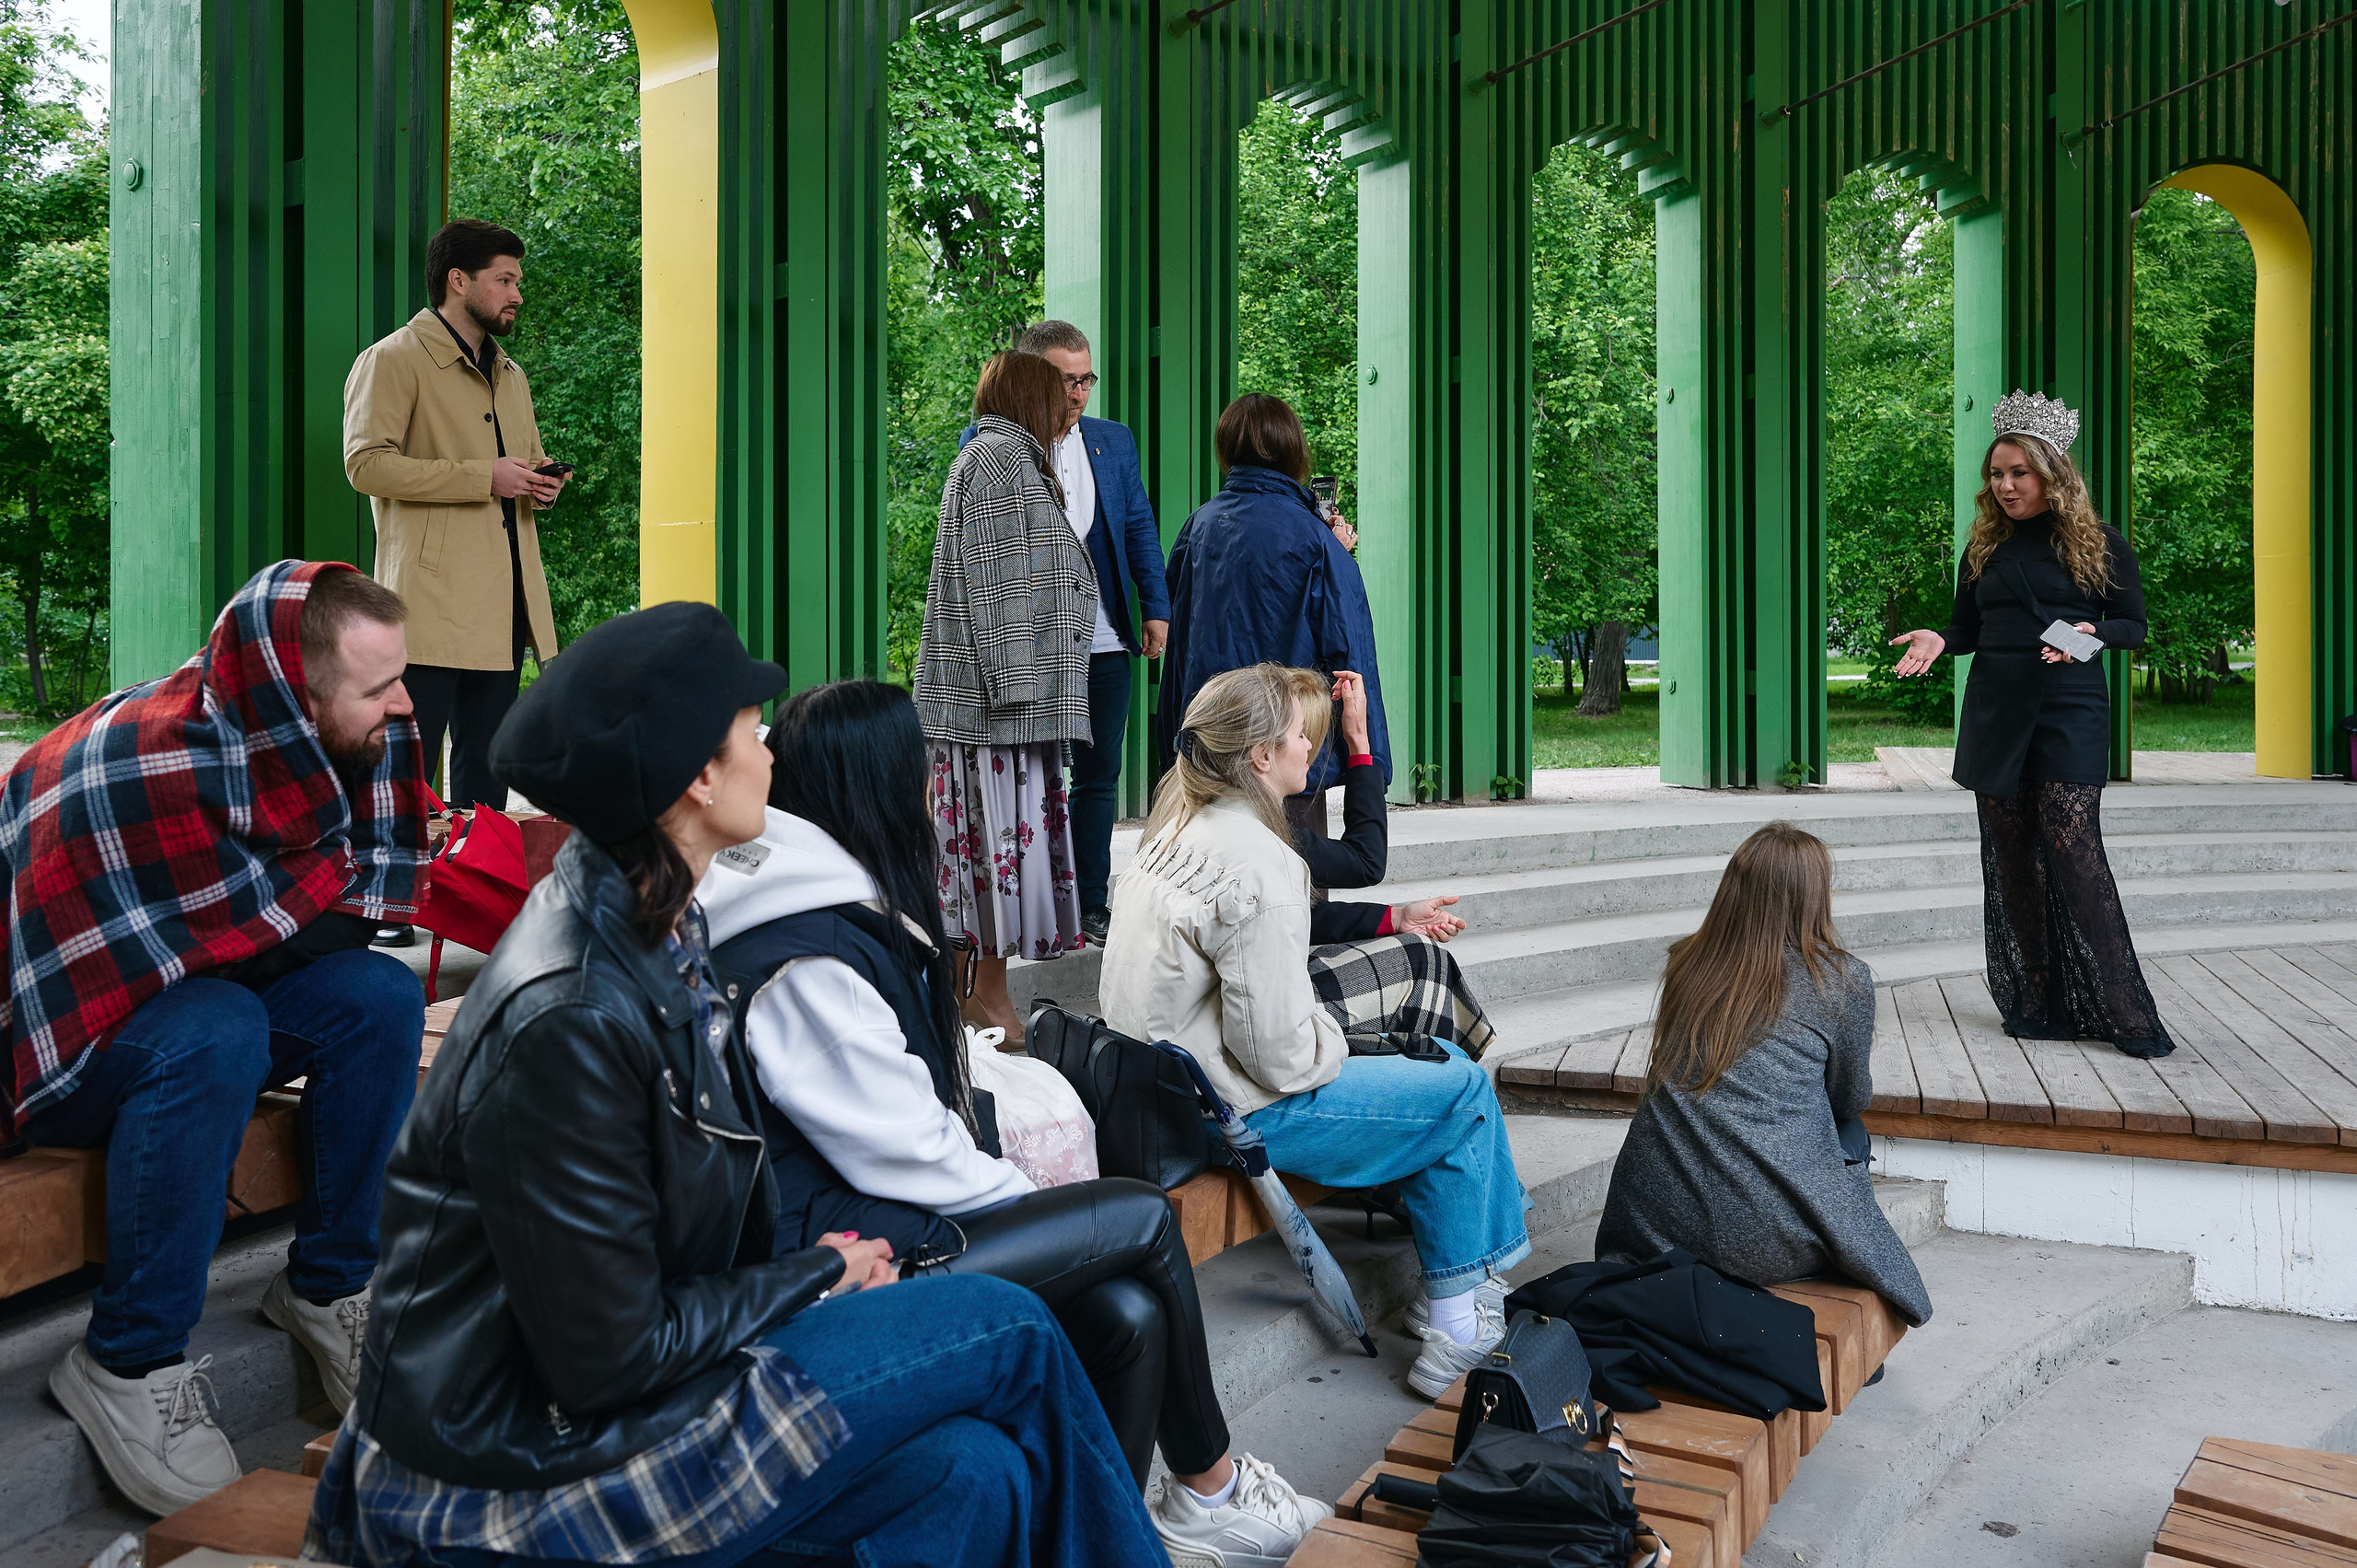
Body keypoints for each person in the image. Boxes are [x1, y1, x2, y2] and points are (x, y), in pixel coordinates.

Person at [310, 602, 1161, 1568]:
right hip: (514, 1471)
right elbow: (609, 1362)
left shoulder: (651, 921)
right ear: (700, 779)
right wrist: (818, 1272)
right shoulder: (574, 1018)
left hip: (620, 1408)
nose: (770, 752)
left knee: (974, 1472)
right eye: (751, 732)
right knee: (1009, 1325)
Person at [695, 678, 1330, 1567]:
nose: (937, 788)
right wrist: (1037, 1206)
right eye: (922, 767)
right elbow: (908, 1150)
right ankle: (1210, 1486)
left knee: (1127, 1311)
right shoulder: (805, 954)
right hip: (845, 1255)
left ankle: (1115, 1529)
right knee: (1138, 1217)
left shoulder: (829, 913)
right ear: (875, 782)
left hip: (883, 1218)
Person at [5, 562, 429, 1516]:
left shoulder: (323, 746)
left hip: (182, 999)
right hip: (58, 1037)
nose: (404, 706)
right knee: (219, 1025)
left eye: (401, 674)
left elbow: (332, 920)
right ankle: (130, 1355)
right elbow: (100, 968)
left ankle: (329, 1286)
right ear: (292, 694)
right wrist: (275, 932)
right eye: (377, 687)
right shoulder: (144, 761)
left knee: (376, 995)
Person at [1098, 664, 1528, 1402]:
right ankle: (1460, 1321)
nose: (1310, 746)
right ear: (1261, 754)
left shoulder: (1171, 826)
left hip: (1161, 1096)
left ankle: (1458, 1286)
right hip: (1234, 1115)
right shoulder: (1263, 859)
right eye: (1300, 733)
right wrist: (1339, 1036)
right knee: (1459, 1087)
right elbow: (1282, 1056)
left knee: (1442, 1066)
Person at [1888, 391, 2173, 1057]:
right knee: (2011, 863)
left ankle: (2126, 1012)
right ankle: (2037, 1003)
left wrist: (2088, 632)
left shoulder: (2099, 544)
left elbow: (2132, 627)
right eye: (1996, 474)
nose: (2006, 484)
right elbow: (1967, 627)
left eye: (2019, 472)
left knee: (2077, 858)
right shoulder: (1982, 547)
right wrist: (1939, 639)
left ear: (2051, 473)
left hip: (2069, 707)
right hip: (1996, 710)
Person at [1594, 824, 1933, 1327]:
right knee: (1850, 1132)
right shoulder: (1840, 979)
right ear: (1812, 899)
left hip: (1654, 1228)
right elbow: (1849, 1097)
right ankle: (1848, 1284)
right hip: (1766, 1242)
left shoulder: (1687, 962)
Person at [344, 217, 567, 828]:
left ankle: (473, 902)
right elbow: (366, 465)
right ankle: (390, 904)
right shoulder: (391, 360)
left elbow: (513, 468)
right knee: (403, 776)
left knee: (486, 780)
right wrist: (481, 477)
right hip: (428, 608)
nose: (517, 293)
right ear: (458, 280)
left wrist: (540, 482)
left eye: (517, 280)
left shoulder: (511, 375)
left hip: (502, 608)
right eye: (505, 279)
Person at [915, 351, 1097, 1042]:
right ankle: (980, 1002)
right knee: (982, 873)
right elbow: (996, 590)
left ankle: (976, 1000)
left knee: (982, 873)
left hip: (1002, 715)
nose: (1067, 406)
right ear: (1031, 397)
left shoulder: (1006, 459)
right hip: (996, 719)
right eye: (1058, 392)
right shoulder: (999, 461)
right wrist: (1022, 697)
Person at [1006, 320, 1173, 947]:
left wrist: (1155, 606)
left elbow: (1138, 529)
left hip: (1104, 639)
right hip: (1034, 644)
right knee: (1029, 774)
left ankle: (1090, 906)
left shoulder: (1114, 441)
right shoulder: (994, 444)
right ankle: (1027, 908)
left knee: (1098, 776)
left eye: (1085, 379)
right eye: (1064, 380)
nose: (1077, 394)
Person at [1160, 394, 1390, 843]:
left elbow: (1181, 637)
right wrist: (1371, 758)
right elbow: (1350, 644)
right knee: (1296, 882)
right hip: (1288, 742)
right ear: (1293, 450)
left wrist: (1176, 740)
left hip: (1212, 742)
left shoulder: (1199, 526)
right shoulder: (1315, 537)